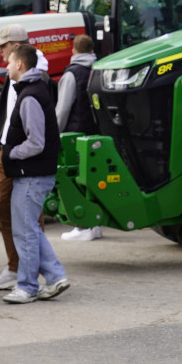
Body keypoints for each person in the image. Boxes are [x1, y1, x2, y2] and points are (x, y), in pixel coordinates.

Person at [1, 44, 70, 303]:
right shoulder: (34, 90)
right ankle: (55, 277)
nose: (6, 66)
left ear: (19, 64)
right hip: (34, 174)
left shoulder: (29, 96)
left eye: (9, 62)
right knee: (30, 229)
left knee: (26, 232)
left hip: (31, 175)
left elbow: (36, 142)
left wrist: (11, 153)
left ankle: (27, 286)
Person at [0, 24, 49, 291]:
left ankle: (27, 272)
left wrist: (13, 151)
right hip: (8, 151)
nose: (0, 52)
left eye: (3, 46)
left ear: (17, 46)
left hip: (21, 154)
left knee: (28, 216)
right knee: (4, 209)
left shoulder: (37, 74)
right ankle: (19, 268)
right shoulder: (19, 70)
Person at [56, 34, 103, 242]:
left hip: (76, 133)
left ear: (73, 52)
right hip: (97, 132)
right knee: (95, 178)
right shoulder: (99, 70)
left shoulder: (71, 74)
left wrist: (55, 133)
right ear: (92, 51)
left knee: (77, 179)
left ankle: (84, 225)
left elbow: (63, 108)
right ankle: (97, 225)